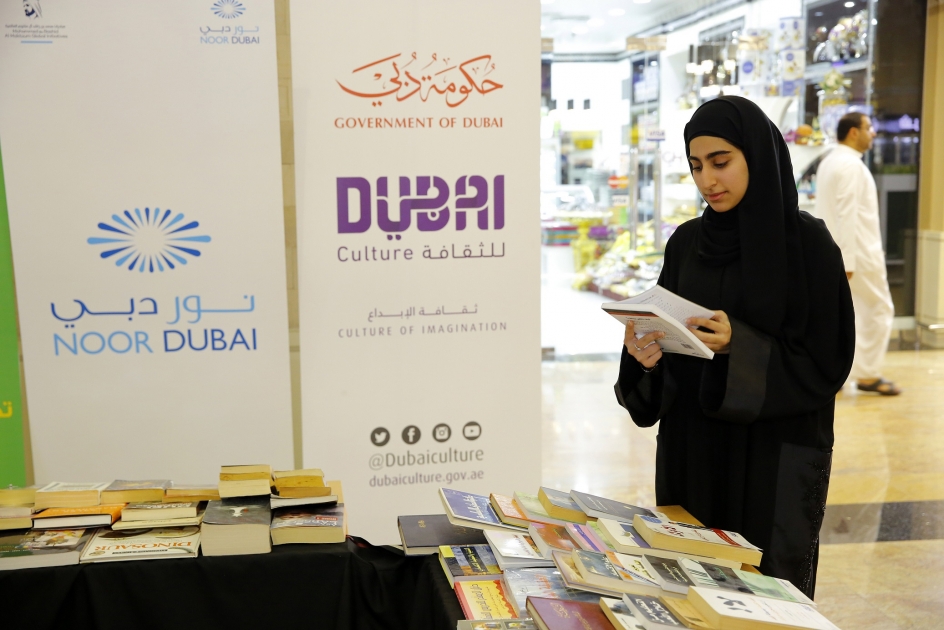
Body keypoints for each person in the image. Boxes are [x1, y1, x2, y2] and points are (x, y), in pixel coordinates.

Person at [614, 96, 854, 599]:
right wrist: (647, 358)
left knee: (765, 597)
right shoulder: (687, 243)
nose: (707, 180)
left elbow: (827, 360)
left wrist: (738, 345)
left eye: (721, 162)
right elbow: (667, 346)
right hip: (693, 452)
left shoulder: (808, 246)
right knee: (689, 587)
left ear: (757, 155)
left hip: (772, 460)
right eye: (697, 166)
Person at [815, 112, 899, 395]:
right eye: (869, 128)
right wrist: (848, 260)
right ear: (853, 132)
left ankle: (836, 373)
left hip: (836, 252)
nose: (873, 133)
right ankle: (867, 375)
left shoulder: (829, 162)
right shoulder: (850, 165)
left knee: (840, 316)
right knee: (878, 310)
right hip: (857, 254)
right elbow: (846, 213)